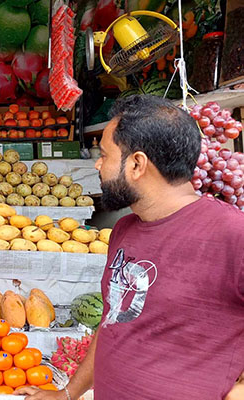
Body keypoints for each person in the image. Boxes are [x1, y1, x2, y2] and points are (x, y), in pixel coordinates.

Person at [15, 95, 244, 400]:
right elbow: (113, 323)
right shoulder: (124, 229)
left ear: (136, 164)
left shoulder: (232, 234)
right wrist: (68, 393)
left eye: (105, 154)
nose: (98, 164)